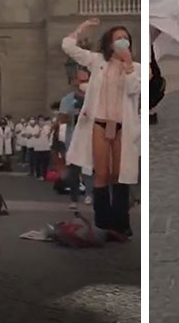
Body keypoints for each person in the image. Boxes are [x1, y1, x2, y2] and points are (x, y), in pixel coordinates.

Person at [62, 19, 140, 236]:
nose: (122, 42)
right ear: (109, 44)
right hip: (99, 123)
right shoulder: (97, 62)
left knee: (119, 173)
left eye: (126, 38)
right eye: (118, 38)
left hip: (122, 126)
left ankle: (121, 222)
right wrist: (82, 28)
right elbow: (68, 47)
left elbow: (134, 90)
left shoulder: (137, 69)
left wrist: (128, 65)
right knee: (102, 173)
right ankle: (103, 222)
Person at [61, 70, 92, 206]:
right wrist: (75, 113)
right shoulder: (67, 100)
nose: (83, 84)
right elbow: (62, 118)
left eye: (86, 81)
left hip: (90, 138)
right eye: (81, 81)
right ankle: (74, 199)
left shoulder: (94, 98)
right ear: (74, 82)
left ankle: (90, 194)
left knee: (89, 169)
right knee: (73, 171)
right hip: (73, 138)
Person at [34, 116, 53, 181]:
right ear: (38, 121)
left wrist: (50, 131)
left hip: (46, 148)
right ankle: (38, 175)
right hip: (38, 148)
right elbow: (36, 136)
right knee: (38, 163)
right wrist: (40, 130)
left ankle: (44, 175)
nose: (41, 122)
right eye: (40, 120)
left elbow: (49, 135)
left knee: (45, 163)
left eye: (42, 120)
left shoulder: (47, 127)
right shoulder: (36, 127)